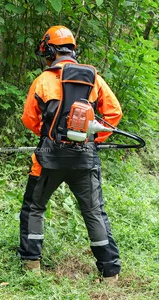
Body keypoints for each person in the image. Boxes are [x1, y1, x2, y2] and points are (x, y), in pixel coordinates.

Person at [19, 25, 122, 282]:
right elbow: (113, 114)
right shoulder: (93, 79)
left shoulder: (43, 80)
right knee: (94, 212)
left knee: (34, 208)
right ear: (73, 51)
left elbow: (29, 118)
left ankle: (31, 264)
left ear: (50, 51)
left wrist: (50, 137)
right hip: (85, 158)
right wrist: (91, 139)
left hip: (49, 158)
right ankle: (110, 273)